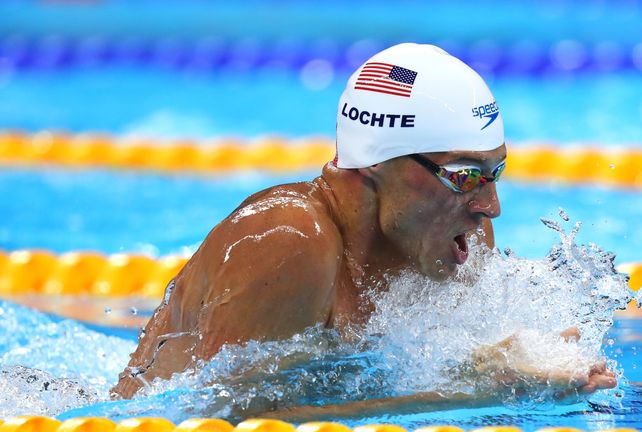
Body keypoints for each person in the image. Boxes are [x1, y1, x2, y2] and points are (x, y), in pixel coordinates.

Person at [112, 43, 616, 403]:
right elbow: (225, 418)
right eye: (465, 175)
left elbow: (457, 359)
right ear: (377, 163)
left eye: (495, 172)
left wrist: (533, 359)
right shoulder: (289, 242)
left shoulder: (457, 236)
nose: (490, 205)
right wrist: (473, 389)